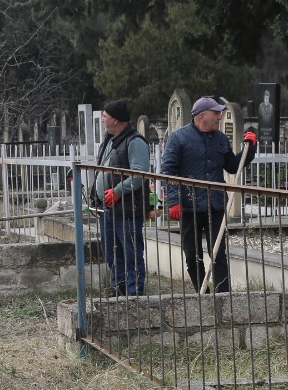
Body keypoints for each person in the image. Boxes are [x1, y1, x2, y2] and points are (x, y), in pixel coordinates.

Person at [160, 96, 256, 292]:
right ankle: (203, 294)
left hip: (216, 205)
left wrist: (250, 149)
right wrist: (173, 201)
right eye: (216, 113)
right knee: (192, 255)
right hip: (189, 205)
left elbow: (232, 166)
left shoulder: (220, 138)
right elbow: (168, 172)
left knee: (219, 254)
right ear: (201, 116)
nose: (219, 117)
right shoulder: (178, 138)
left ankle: (222, 296)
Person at [93, 99, 152, 295]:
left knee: (130, 252)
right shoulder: (110, 140)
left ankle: (134, 293)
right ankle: (117, 289)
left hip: (127, 209)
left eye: (105, 116)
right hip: (107, 207)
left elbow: (139, 174)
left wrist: (117, 191)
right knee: (112, 252)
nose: (103, 119)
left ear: (116, 120)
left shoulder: (135, 142)